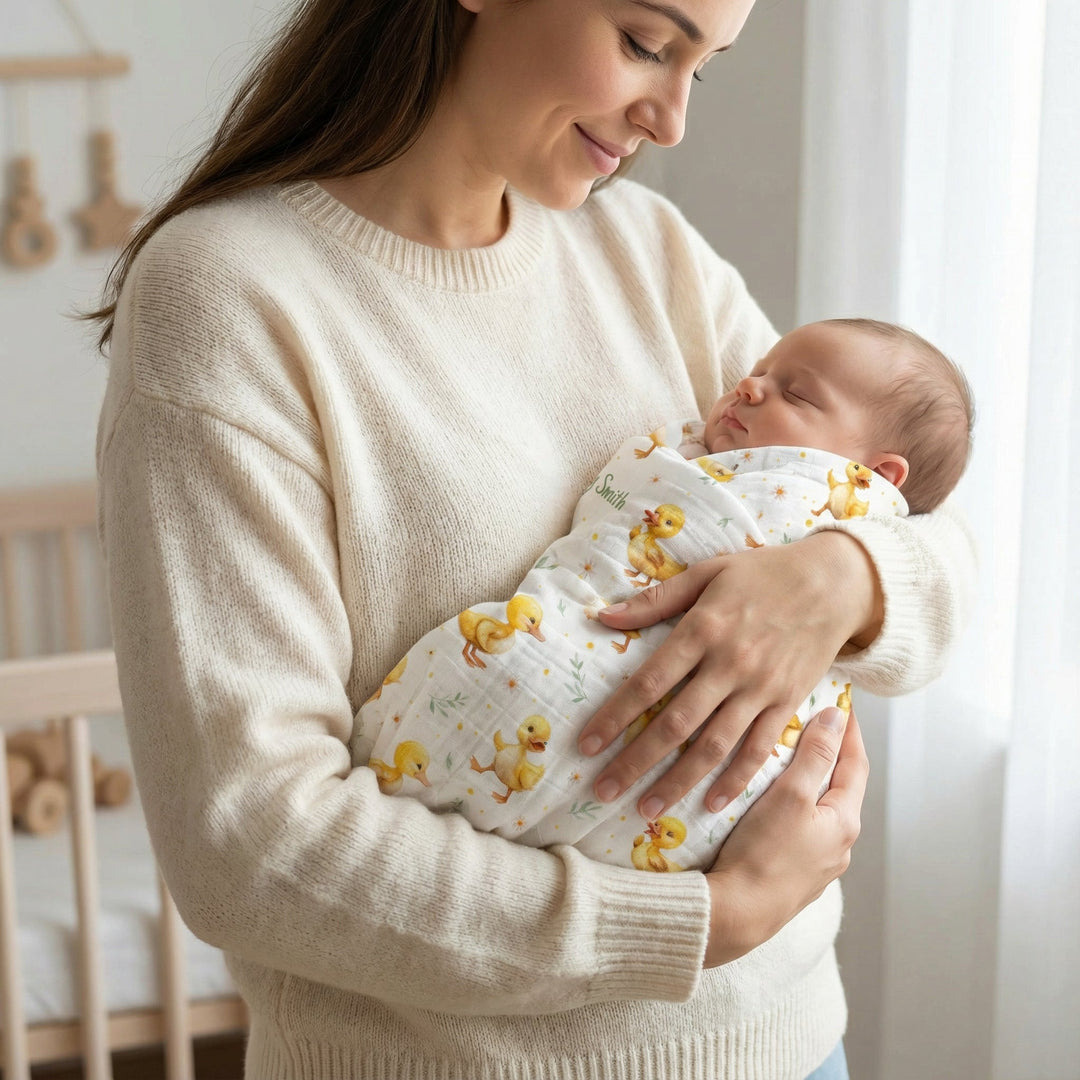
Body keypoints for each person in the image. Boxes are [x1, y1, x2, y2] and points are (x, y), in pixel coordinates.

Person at [91, 2, 976, 1077]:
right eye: (649, 44)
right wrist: (698, 923)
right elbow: (252, 843)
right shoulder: (230, 295)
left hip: (788, 1046)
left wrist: (847, 575)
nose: (674, 117)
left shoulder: (648, 252)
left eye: (709, 69)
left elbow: (926, 528)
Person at [354, 316, 974, 871]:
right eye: (758, 372)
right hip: (446, 910)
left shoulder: (676, 266)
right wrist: (729, 913)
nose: (750, 386)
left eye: (797, 392)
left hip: (764, 967)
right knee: (521, 671)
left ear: (879, 476)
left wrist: (851, 570)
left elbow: (952, 551)